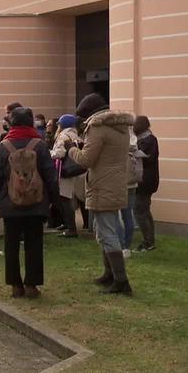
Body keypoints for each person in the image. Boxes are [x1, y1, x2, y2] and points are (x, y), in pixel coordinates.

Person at [67, 93, 135, 296]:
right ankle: (109, 275)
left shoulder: (97, 127)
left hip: (101, 185)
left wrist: (71, 149)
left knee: (107, 232)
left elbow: (86, 160)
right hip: (115, 184)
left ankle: (121, 281)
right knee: (107, 230)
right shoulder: (120, 127)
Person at [0, 107, 59, 299]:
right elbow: (50, 175)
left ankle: (15, 285)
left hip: (9, 202)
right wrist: (52, 199)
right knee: (34, 243)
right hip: (37, 203)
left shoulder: (4, 146)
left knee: (11, 244)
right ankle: (31, 285)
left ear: (11, 123)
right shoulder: (40, 144)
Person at [50, 114, 82, 238]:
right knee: (69, 199)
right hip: (76, 170)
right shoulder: (76, 135)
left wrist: (49, 153)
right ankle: (68, 224)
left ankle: (71, 228)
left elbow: (59, 153)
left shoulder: (63, 136)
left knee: (65, 199)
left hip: (65, 171)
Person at [133, 116, 159, 251]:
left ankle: (148, 242)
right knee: (144, 210)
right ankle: (150, 241)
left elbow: (145, 156)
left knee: (139, 211)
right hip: (146, 181)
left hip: (145, 182)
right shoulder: (145, 139)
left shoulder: (149, 140)